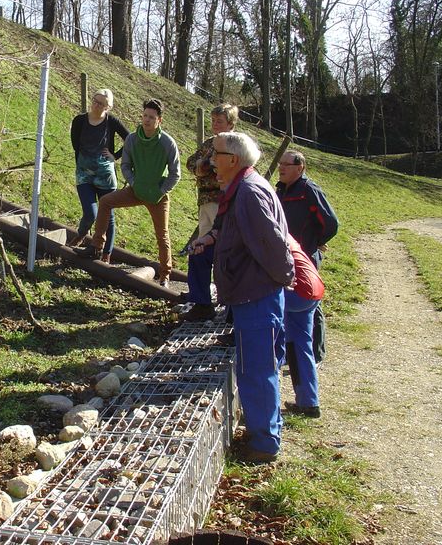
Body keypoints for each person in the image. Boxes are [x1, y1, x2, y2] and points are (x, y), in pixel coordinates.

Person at [190, 131, 294, 463]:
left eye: (215, 156)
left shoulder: (248, 193)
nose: (209, 163)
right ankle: (265, 428)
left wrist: (284, 279)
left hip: (256, 296)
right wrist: (212, 239)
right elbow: (236, 227)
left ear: (233, 160)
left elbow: (273, 244)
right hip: (255, 294)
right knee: (260, 366)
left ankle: (263, 444)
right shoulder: (241, 188)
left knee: (256, 369)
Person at [75, 99, 181, 287]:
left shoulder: (167, 142)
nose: (147, 120)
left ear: (159, 121)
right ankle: (96, 246)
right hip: (136, 190)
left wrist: (161, 190)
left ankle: (165, 274)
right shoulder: (133, 138)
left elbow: (176, 173)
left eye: (152, 117)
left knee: (162, 234)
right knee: (106, 202)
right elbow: (125, 165)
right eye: (145, 116)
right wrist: (134, 183)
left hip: (157, 196)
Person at [275, 150, 339, 364]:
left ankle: (316, 353)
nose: (281, 168)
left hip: (306, 255)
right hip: (286, 255)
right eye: (280, 164)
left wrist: (316, 243)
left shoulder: (309, 190)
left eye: (287, 164)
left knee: (311, 301)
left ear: (300, 167)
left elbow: (331, 223)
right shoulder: (281, 189)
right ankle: (291, 352)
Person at [181, 103, 238, 321]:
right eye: (213, 120)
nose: (214, 124)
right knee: (202, 249)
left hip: (223, 203)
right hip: (205, 202)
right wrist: (204, 165)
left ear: (231, 124)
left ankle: (232, 305)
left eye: (219, 121)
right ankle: (203, 302)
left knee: (225, 252)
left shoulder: (235, 145)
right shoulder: (209, 144)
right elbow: (192, 163)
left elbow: (225, 170)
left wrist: (208, 169)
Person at [68, 88, 129, 263]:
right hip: (84, 174)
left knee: (108, 216)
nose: (96, 105)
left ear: (107, 107)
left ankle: (106, 254)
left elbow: (130, 139)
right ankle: (80, 235)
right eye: (95, 100)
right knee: (90, 213)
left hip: (105, 176)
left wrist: (115, 156)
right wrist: (83, 161)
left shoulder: (111, 122)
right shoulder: (80, 120)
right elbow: (75, 144)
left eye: (101, 103)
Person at [282, 234, 324, 418]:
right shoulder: (285, 232)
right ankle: (309, 403)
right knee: (301, 345)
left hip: (296, 290)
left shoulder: (263, 232)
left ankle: (268, 408)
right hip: (313, 288)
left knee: (271, 342)